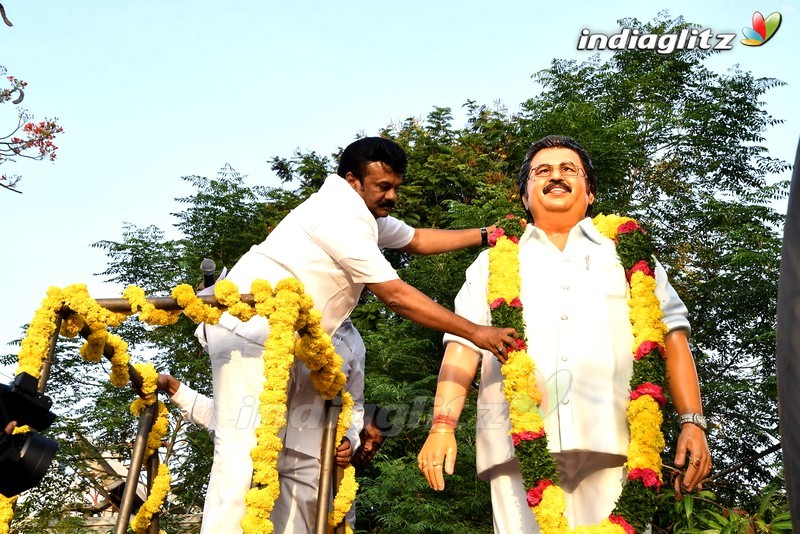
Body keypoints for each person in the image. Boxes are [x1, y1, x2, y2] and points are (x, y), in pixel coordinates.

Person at [198, 136, 517, 533]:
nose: (393, 196)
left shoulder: (365, 215)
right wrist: (475, 332)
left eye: (396, 186)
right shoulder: (337, 215)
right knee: (242, 452)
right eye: (384, 186)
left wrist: (487, 235)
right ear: (352, 181)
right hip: (249, 333)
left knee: (307, 458)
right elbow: (395, 296)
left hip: (299, 343)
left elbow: (415, 239)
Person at [418, 135, 711, 532]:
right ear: (524, 196)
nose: (555, 177)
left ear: (589, 192)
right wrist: (441, 426)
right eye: (543, 171)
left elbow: (673, 337)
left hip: (615, 441)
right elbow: (462, 349)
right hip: (516, 446)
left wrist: (692, 421)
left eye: (568, 170)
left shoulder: (629, 256)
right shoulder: (492, 263)